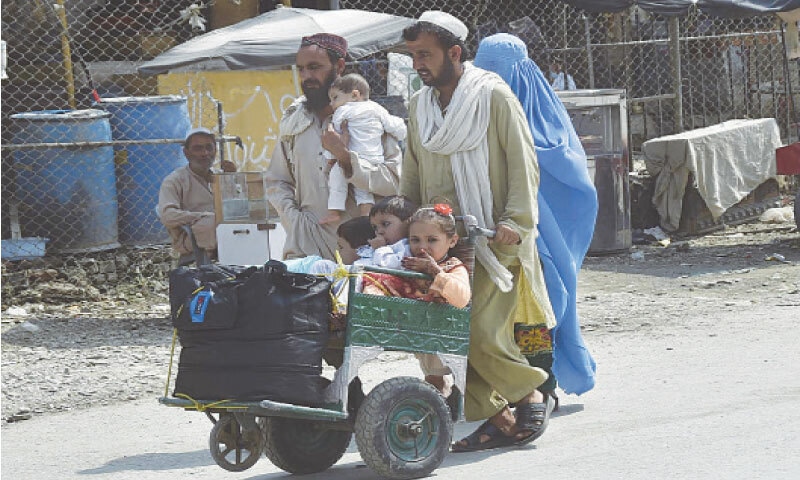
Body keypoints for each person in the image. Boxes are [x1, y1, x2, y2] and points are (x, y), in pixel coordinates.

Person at [401, 11, 557, 452]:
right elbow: (410, 171)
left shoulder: (493, 97)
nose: (418, 65)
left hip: (493, 238)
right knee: (449, 331)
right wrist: (406, 226)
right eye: (413, 56)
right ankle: (499, 418)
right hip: (439, 242)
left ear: (454, 53)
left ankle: (529, 392)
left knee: (480, 332)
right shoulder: (419, 106)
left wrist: (517, 223)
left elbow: (522, 164)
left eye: (425, 55)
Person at [474, 34, 598, 402]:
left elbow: (569, 171)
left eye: (499, 70)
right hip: (495, 229)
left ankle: (542, 380)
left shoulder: (543, 115)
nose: (493, 80)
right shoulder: (479, 108)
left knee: (543, 302)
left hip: (545, 231)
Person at [266, 33, 401, 261]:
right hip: (306, 244)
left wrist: (345, 158)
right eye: (301, 69)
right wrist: (295, 220)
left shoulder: (370, 118)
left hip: (360, 248)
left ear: (339, 66)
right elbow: (277, 181)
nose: (307, 76)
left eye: (315, 67)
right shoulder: (294, 122)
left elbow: (394, 183)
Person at [362, 204, 470, 397]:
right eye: (415, 240)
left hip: (440, 327)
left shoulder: (453, 267)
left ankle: (439, 389)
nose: (422, 247)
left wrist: (435, 272)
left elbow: (462, 298)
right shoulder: (406, 260)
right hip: (409, 322)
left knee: (434, 377)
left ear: (452, 241)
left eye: (432, 240)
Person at [321, 73, 408, 225]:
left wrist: (331, 158)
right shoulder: (377, 108)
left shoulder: (342, 112)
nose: (332, 104)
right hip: (375, 159)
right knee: (363, 186)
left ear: (355, 95)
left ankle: (334, 210)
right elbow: (394, 126)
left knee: (336, 177)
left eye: (335, 98)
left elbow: (335, 137)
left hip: (353, 157)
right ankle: (366, 213)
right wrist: (402, 130)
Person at [157, 127, 236, 266]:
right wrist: (200, 217)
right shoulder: (174, 180)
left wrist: (232, 179)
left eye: (208, 148)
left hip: (223, 234)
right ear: (186, 153)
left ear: (215, 150)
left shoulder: (219, 176)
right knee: (211, 221)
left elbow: (236, 208)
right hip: (191, 238)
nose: (205, 153)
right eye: (198, 149)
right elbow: (167, 216)